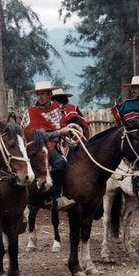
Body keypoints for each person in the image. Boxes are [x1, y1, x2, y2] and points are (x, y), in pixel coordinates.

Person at [21, 81, 81, 211]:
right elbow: (31, 134)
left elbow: (60, 127)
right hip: (36, 146)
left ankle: (58, 195)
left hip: (53, 144)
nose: (40, 97)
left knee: (66, 162)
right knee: (57, 163)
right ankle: (52, 198)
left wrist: (65, 130)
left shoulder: (56, 109)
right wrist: (59, 132)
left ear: (50, 94)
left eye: (42, 94)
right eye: (38, 94)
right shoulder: (31, 111)